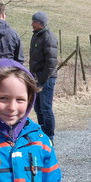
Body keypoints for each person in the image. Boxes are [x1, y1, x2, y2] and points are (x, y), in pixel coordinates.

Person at [29, 11, 58, 139]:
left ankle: (49, 138)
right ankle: (42, 136)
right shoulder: (37, 35)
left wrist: (42, 80)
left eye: (33, 22)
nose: (31, 24)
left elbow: (51, 62)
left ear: (39, 23)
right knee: (38, 108)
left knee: (46, 109)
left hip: (46, 79)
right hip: (36, 78)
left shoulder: (48, 37)